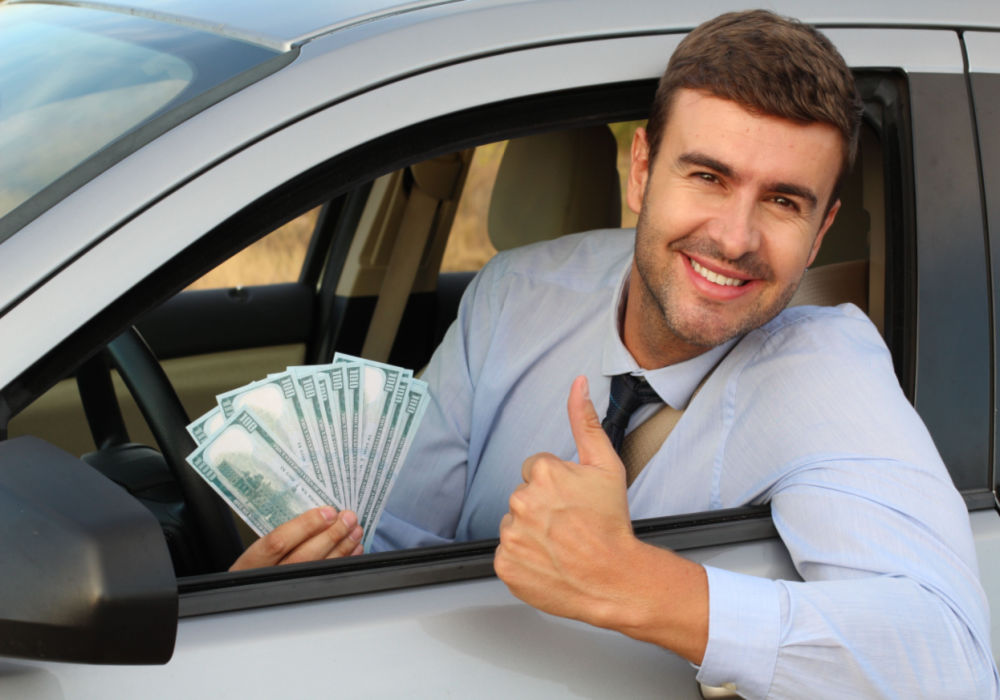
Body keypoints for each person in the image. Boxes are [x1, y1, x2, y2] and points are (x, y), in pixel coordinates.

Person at [232, 10, 999, 697]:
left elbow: (954, 664)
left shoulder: (826, 372)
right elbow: (397, 535)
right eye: (707, 176)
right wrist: (297, 577)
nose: (734, 238)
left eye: (783, 201)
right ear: (640, 172)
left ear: (822, 229)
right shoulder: (518, 294)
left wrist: (637, 584)